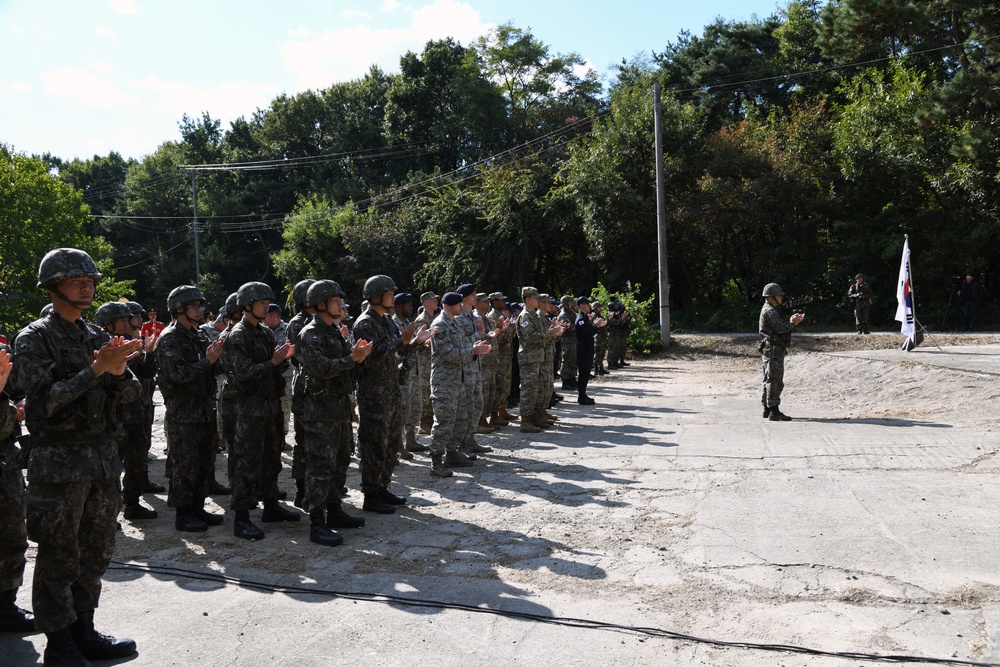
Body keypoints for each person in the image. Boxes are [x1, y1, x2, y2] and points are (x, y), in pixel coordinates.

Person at [14, 248, 142, 665]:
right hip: (59, 464)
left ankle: (84, 628)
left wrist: (118, 373)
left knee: (96, 548)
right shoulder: (34, 338)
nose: (87, 285)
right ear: (53, 288)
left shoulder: (95, 337)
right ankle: (60, 642)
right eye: (76, 279)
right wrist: (95, 371)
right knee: (58, 553)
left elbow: (132, 393)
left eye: (90, 279)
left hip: (101, 459)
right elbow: (40, 404)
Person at [296, 280, 372, 545]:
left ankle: (335, 510)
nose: (341, 305)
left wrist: (357, 357)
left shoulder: (334, 331)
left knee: (340, 460)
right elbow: (322, 369)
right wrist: (352, 358)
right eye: (335, 300)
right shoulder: (311, 334)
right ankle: (317, 521)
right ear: (320, 305)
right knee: (320, 465)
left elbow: (343, 367)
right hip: (320, 411)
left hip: (339, 407)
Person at [222, 282, 298, 540]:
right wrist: (272, 362)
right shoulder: (237, 335)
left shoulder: (264, 333)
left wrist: (281, 360)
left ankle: (271, 505)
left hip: (269, 406)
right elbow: (242, 373)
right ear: (247, 305)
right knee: (247, 462)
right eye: (261, 302)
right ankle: (241, 518)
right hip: (247, 410)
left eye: (268, 302)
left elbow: (270, 369)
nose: (266, 306)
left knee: (271, 459)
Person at [352, 275, 432, 514]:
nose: (393, 297)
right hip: (373, 393)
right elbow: (372, 355)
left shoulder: (386, 321)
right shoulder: (365, 323)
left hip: (391, 390)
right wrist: (401, 341)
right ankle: (371, 494)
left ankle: (383, 487)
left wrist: (415, 343)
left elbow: (397, 355)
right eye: (389, 293)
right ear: (376, 296)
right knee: (374, 444)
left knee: (390, 444)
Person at [155, 285, 227, 533]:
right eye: (194, 306)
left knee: (204, 463)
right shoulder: (169, 338)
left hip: (205, 408)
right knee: (184, 465)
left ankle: (198, 507)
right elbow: (178, 375)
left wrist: (218, 359)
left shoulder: (198, 335)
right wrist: (207, 361)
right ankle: (183, 514)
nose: (200, 310)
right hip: (183, 413)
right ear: (179, 309)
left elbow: (213, 368)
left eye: (200, 306)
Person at [94, 301, 159, 521]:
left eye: (126, 319)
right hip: (113, 416)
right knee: (112, 467)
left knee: (137, 462)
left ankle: (132, 503)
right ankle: (110, 514)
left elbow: (148, 373)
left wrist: (148, 352)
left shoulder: (133, 344)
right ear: (107, 323)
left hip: (135, 412)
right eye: (121, 320)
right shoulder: (101, 347)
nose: (126, 323)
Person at [429, 292, 493, 476]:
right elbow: (448, 353)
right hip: (445, 381)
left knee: (460, 418)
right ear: (449, 306)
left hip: (459, 379)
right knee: (444, 421)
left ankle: (452, 453)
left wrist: (478, 344)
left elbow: (463, 342)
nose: (462, 307)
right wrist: (472, 351)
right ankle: (435, 461)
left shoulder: (453, 322)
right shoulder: (440, 325)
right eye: (459, 305)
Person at [0, 345, 34, 634]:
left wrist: (18, 403)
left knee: (11, 535)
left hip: (5, 463)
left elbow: (20, 390)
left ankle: (5, 605)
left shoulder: (2, 357)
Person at [286, 279, 315, 509]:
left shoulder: (320, 322)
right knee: (304, 441)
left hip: (320, 389)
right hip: (306, 388)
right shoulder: (298, 324)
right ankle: (302, 490)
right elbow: (304, 358)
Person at [759, 282, 806, 422]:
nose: (781, 297)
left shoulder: (767, 309)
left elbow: (778, 327)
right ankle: (774, 411)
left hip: (769, 348)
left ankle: (767, 408)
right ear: (772, 296)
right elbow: (781, 328)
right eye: (779, 295)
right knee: (775, 379)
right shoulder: (770, 311)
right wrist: (794, 322)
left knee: (768, 378)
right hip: (773, 349)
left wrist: (791, 321)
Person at [392, 293, 429, 459]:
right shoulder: (393, 325)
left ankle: (411, 440)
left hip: (415, 373)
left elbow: (412, 348)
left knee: (415, 408)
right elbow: (398, 350)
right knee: (402, 410)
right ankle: (398, 445)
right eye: (408, 305)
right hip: (402, 375)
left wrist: (422, 343)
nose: (411, 308)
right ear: (399, 307)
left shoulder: (408, 323)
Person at [413, 291, 439, 435]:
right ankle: (424, 423)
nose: (436, 302)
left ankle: (429, 420)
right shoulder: (422, 320)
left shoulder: (432, 317)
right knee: (425, 391)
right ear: (426, 303)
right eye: (433, 300)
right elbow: (420, 341)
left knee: (430, 391)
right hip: (424, 362)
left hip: (431, 361)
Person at [575, 297, 607, 405]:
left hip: (587, 348)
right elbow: (587, 333)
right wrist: (596, 326)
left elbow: (589, 330)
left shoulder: (585, 318)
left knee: (586, 372)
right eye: (586, 304)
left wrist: (594, 325)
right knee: (583, 373)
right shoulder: (580, 319)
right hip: (583, 349)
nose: (589, 306)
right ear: (581, 305)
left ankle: (583, 394)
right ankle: (581, 396)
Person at [558, 296, 579, 390]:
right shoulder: (563, 315)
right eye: (570, 302)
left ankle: (572, 378)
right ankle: (566, 381)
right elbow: (571, 327)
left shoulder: (571, 314)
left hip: (573, 340)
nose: (572, 304)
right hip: (567, 341)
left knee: (572, 360)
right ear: (566, 304)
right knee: (566, 360)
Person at [592, 301, 610, 375]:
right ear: (595, 309)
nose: (600, 308)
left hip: (602, 336)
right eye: (599, 307)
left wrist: (608, 319)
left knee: (602, 353)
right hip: (598, 336)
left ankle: (601, 368)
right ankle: (596, 369)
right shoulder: (594, 316)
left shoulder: (600, 315)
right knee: (598, 353)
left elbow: (605, 324)